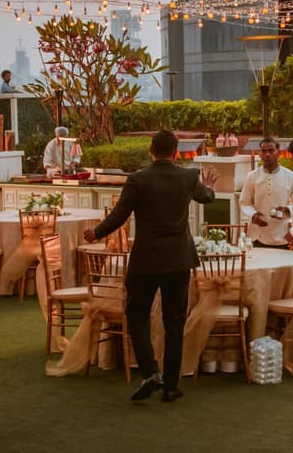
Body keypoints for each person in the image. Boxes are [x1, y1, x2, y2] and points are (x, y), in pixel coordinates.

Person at [87, 130, 218, 401]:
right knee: (174, 323)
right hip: (179, 259)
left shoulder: (138, 180)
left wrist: (96, 233)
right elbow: (207, 197)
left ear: (150, 150)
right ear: (176, 151)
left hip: (146, 259)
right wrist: (209, 186)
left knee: (136, 316)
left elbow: (119, 216)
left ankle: (150, 371)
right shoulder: (188, 177)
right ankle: (171, 386)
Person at [238, 136, 293, 248]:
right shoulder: (252, 177)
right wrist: (253, 215)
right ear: (260, 154)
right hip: (257, 236)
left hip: (283, 237)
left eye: (271, 150)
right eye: (264, 151)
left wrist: (287, 210)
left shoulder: (292, 177)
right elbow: (244, 202)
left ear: (278, 153)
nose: (267, 154)